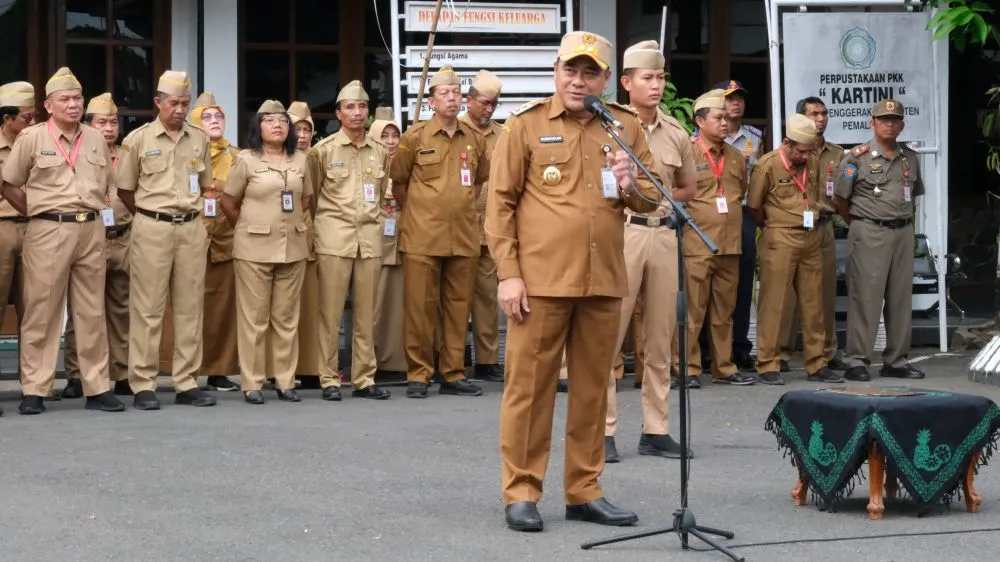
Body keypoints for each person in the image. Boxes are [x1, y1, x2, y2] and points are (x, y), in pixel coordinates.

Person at [487, 30, 661, 532]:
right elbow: (499, 206)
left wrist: (630, 185)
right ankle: (522, 491)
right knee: (529, 391)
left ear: (606, 80)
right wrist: (509, 275)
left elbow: (652, 198)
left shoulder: (624, 126)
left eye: (590, 72)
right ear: (556, 71)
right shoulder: (524, 125)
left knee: (592, 392)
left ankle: (584, 490)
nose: (578, 81)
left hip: (602, 280)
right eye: (571, 70)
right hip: (540, 284)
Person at [1, 67, 125, 414]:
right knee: (42, 310)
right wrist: (36, 211)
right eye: (65, 99)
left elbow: (109, 184)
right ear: (48, 105)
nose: (73, 105)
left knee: (91, 310)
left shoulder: (95, 137)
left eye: (77, 98)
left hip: (90, 228)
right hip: (48, 228)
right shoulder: (33, 137)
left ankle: (96, 386)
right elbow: (9, 184)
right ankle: (35, 389)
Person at [603, 40, 698, 464]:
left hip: (663, 235)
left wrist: (663, 199)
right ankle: (602, 430)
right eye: (647, 78)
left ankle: (655, 429)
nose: (656, 85)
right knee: (609, 336)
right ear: (626, 83)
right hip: (622, 233)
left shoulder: (676, 133)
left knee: (661, 338)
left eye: (660, 77)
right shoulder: (609, 128)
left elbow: (689, 187)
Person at [117, 70, 217, 410]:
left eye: (185, 104)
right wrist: (150, 215)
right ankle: (143, 383)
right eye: (173, 103)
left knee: (190, 307)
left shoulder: (199, 138)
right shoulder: (138, 139)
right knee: (147, 308)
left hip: (190, 227)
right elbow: (125, 190)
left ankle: (186, 381)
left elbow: (205, 184)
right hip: (152, 227)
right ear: (158, 102)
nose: (180, 109)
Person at [389, 64, 490, 399]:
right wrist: (421, 212)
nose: (452, 98)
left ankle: (453, 373)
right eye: (444, 93)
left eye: (457, 92)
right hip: (422, 237)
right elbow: (399, 183)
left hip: (463, 236)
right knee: (419, 308)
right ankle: (419, 374)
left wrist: (456, 208)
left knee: (459, 308)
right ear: (431, 101)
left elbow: (477, 183)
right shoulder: (414, 137)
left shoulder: (474, 138)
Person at [220, 100, 312, 404]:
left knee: (286, 318)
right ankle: (252, 381)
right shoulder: (246, 160)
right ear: (258, 127)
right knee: (254, 319)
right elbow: (228, 202)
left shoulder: (300, 159)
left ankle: (285, 380)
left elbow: (306, 200)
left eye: (283, 121)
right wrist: (249, 226)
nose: (277, 125)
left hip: (293, 247)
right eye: (270, 120)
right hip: (254, 249)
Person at [309, 80, 392, 401]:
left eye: (362, 107)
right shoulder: (323, 151)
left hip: (369, 238)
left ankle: (364, 378)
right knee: (330, 314)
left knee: (366, 314)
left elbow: (381, 195)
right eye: (350, 107)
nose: (357, 113)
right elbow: (312, 197)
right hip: (334, 238)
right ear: (338, 114)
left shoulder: (380, 152)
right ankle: (329, 378)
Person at [747, 113, 843, 385]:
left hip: (811, 236)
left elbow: (812, 194)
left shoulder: (811, 161)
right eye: (801, 150)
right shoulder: (767, 165)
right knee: (774, 302)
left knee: (814, 303)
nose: (806, 155)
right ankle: (768, 363)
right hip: (780, 237)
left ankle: (817, 363)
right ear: (787, 143)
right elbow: (754, 206)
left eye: (810, 150)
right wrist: (774, 225)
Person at [834, 99, 926, 382]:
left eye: (895, 119)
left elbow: (913, 197)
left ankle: (896, 360)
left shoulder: (910, 157)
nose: (890, 124)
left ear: (902, 125)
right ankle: (857, 360)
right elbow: (840, 199)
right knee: (866, 297)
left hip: (902, 232)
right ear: (871, 123)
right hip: (869, 230)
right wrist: (860, 223)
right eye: (884, 119)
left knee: (900, 298)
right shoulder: (856, 158)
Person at [63, 92, 132, 398]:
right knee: (83, 309)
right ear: (89, 124)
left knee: (122, 309)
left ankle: (123, 372)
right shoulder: (76, 153)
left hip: (123, 237)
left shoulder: (127, 155)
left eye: (113, 123)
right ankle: (76, 374)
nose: (109, 128)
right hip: (89, 236)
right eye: (102, 122)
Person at [685, 90, 755, 386]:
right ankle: (688, 368)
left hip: (730, 244)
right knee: (693, 311)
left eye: (727, 117)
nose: (725, 123)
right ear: (700, 121)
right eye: (718, 118)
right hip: (697, 245)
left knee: (724, 312)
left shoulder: (736, 157)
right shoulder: (687, 153)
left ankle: (724, 367)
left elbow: (741, 192)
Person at [173, 91, 240, 391]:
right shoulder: (185, 152)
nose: (214, 121)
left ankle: (218, 370)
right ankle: (179, 370)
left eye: (218, 116)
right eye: (207, 117)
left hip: (225, 240)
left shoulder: (237, 156)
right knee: (185, 306)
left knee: (221, 308)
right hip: (189, 236)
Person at [778, 97, 850, 372]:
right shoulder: (786, 153)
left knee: (826, 293)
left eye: (824, 113)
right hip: (793, 229)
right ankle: (781, 353)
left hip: (824, 226)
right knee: (788, 295)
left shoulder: (837, 153)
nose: (820, 119)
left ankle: (827, 352)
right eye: (814, 114)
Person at [714, 79, 764, 372]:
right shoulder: (697, 138)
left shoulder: (755, 138)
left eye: (740, 98)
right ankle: (709, 350)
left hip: (743, 215)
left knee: (743, 282)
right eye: (730, 98)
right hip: (713, 216)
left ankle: (740, 346)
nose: (736, 103)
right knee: (712, 283)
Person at [460, 69, 505, 382]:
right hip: (458, 227)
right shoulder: (454, 130)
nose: (489, 109)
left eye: (494, 104)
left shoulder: (503, 135)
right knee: (454, 299)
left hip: (490, 227)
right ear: (469, 100)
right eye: (484, 103)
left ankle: (487, 360)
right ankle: (452, 358)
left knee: (487, 299)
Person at [0, 80, 36, 410]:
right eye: (26, 117)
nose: (32, 122)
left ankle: (33, 385)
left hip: (36, 228)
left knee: (34, 309)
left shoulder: (39, 142)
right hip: (1, 229)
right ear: (7, 118)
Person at [284, 100, 321, 388]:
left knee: (311, 306)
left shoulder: (316, 157)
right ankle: (279, 369)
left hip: (312, 237)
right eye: (297, 129)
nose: (303, 135)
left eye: (307, 129)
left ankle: (309, 367)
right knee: (283, 307)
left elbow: (318, 199)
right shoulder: (277, 157)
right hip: (282, 238)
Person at [370, 109, 407, 381]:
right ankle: (372, 361)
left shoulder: (407, 165)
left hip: (404, 240)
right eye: (385, 136)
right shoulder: (368, 163)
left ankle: (400, 362)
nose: (391, 141)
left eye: (395, 135)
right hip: (375, 242)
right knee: (375, 306)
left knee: (402, 307)